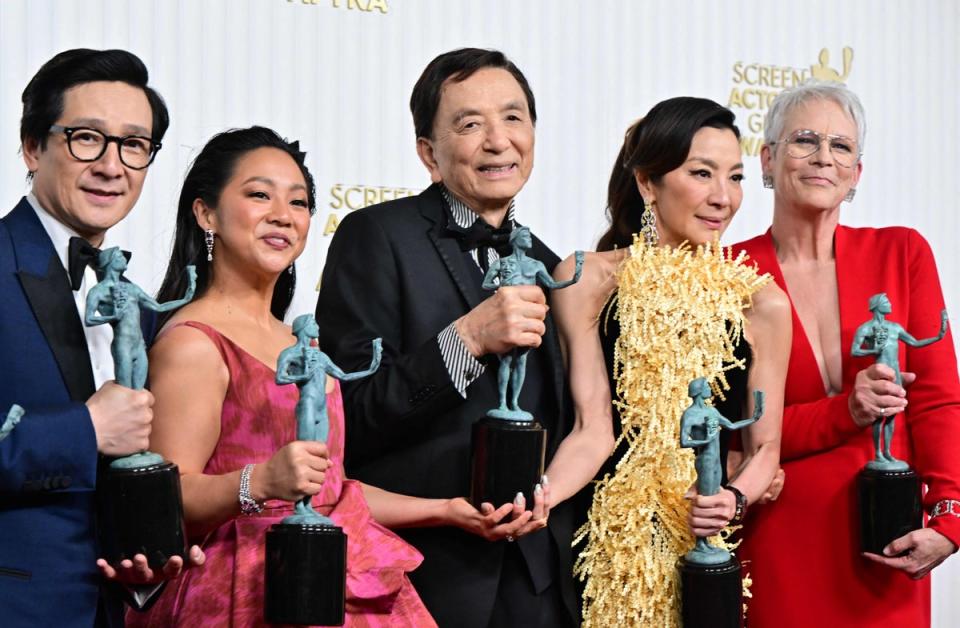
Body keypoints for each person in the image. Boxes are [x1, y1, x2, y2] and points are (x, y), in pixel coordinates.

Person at [126, 126, 440, 627]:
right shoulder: (192, 342)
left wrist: (448, 510)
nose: (283, 215)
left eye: (298, 202)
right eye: (258, 195)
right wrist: (262, 479)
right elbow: (166, 499)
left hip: (334, 575)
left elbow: (331, 489)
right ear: (206, 213)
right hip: (240, 591)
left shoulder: (304, 344)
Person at [317, 48, 577, 627]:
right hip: (419, 579)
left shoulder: (551, 264)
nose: (497, 140)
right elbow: (349, 417)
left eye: (513, 118)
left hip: (539, 583)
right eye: (469, 123)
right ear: (429, 154)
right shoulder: (375, 237)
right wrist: (467, 341)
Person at [549, 97, 790, 625]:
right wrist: (540, 500)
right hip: (602, 541)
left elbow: (765, 447)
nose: (722, 197)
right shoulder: (587, 278)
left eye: (735, 177)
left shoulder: (763, 302)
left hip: (703, 546)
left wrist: (734, 498)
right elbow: (593, 431)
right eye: (701, 173)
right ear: (647, 183)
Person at [733, 80, 960, 627]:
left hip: (889, 543)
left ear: (856, 173)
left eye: (841, 147)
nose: (822, 158)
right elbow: (731, 435)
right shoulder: (726, 273)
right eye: (804, 140)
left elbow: (937, 402)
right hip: (777, 544)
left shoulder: (902, 252)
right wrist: (846, 412)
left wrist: (950, 520)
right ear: (767, 159)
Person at [0, 48, 201, 628]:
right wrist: (84, 430)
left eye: (134, 145)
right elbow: (91, 434)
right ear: (33, 147)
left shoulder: (137, 306)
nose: (112, 165)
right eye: (86, 138)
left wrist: (141, 561)